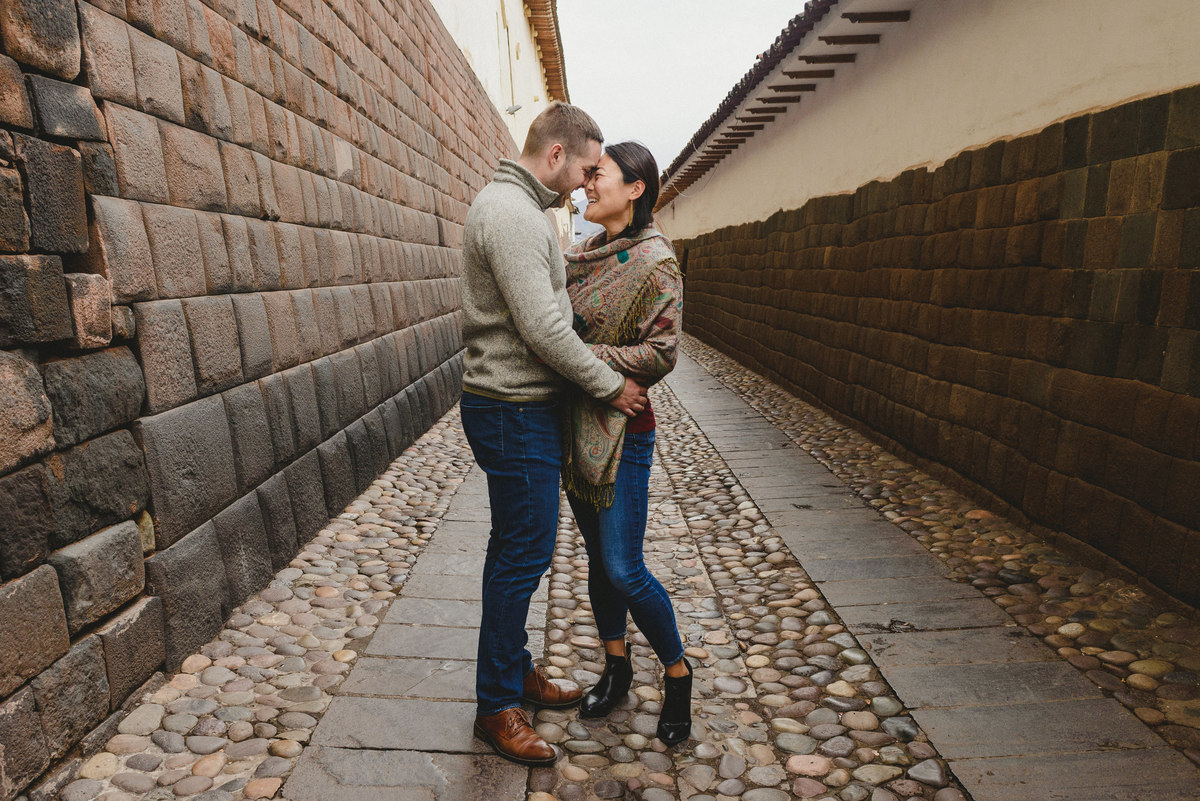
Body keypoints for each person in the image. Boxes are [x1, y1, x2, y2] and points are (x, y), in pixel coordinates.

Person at [460, 102, 649, 767]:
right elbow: (543, 328)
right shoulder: (513, 215)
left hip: (517, 407)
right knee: (522, 556)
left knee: (512, 549)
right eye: (587, 168)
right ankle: (496, 705)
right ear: (557, 155)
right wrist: (611, 385)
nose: (588, 181)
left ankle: (513, 673)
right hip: (512, 410)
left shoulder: (521, 209)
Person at [562, 141, 691, 746]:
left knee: (623, 566)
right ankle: (616, 668)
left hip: (624, 433)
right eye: (588, 175)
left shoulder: (656, 264)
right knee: (598, 561)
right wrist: (584, 361)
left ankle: (678, 673)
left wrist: (581, 356)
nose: (588, 184)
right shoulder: (584, 255)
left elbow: (661, 353)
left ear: (635, 189)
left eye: (600, 175)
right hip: (576, 426)